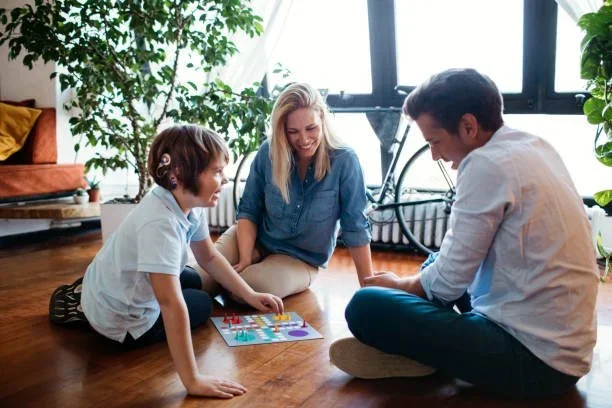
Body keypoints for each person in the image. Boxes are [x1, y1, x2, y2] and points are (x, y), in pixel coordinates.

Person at [329, 68, 599, 399]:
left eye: (435, 141)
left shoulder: (485, 164)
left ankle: (421, 352)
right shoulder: (532, 145)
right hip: (563, 351)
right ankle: (431, 348)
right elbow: (453, 266)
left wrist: (400, 287)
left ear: (468, 127)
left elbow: (447, 285)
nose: (435, 154)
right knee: (433, 262)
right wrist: (418, 289)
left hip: (536, 363)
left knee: (365, 304)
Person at [49, 124, 284, 399]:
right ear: (179, 175)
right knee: (200, 304)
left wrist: (250, 294)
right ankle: (85, 309)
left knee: (194, 279)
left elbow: (207, 256)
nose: (225, 180)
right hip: (123, 322)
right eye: (217, 172)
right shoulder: (160, 224)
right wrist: (193, 380)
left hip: (113, 279)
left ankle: (89, 296)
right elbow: (170, 303)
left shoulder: (184, 202)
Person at [194, 83, 375, 300]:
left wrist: (369, 290)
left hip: (300, 259)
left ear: (323, 121)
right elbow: (249, 209)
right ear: (282, 130)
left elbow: (355, 226)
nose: (304, 140)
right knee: (195, 279)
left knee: (245, 290)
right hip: (253, 238)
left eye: (311, 128)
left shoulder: (345, 161)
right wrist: (244, 257)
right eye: (293, 132)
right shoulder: (268, 152)